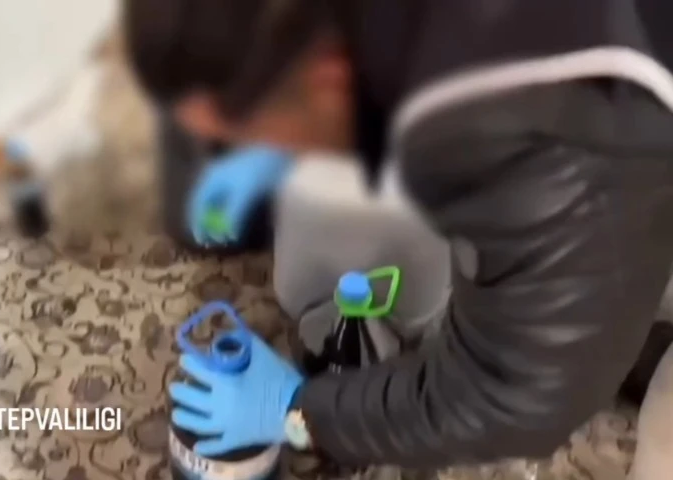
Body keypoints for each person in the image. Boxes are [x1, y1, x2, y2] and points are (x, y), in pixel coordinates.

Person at [123, 0, 673, 473]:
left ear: (327, 76)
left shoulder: (552, 164)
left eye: (245, 134)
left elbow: (514, 397)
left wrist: (299, 414)